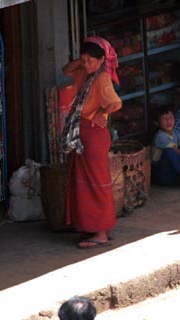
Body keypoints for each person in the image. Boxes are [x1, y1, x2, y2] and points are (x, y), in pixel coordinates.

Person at [61, 36, 122, 250]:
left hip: (94, 134)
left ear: (102, 60)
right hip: (83, 133)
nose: (86, 64)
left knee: (97, 183)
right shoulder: (85, 73)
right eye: (83, 60)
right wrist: (83, 60)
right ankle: (96, 227)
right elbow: (66, 70)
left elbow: (115, 103)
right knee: (84, 183)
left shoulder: (101, 78)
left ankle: (101, 233)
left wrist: (101, 114)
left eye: (90, 61)